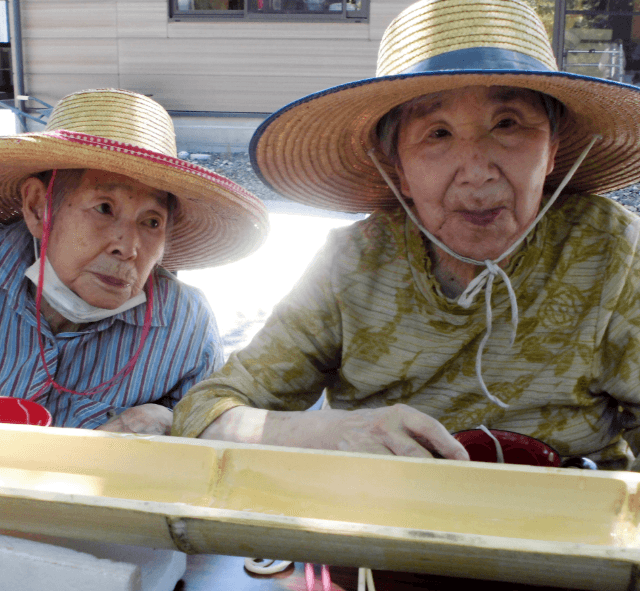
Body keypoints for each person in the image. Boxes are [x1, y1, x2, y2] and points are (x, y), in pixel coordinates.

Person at [172, 0, 640, 470]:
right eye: (437, 134)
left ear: (553, 150)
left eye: (507, 124)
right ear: (398, 168)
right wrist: (328, 431)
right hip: (386, 530)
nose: (476, 173)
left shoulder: (612, 251)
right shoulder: (355, 263)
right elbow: (203, 412)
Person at [0, 88, 269, 434]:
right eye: (104, 208)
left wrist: (167, 425)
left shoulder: (183, 324)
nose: (128, 248)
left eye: (152, 222)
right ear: (39, 207)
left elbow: (203, 448)